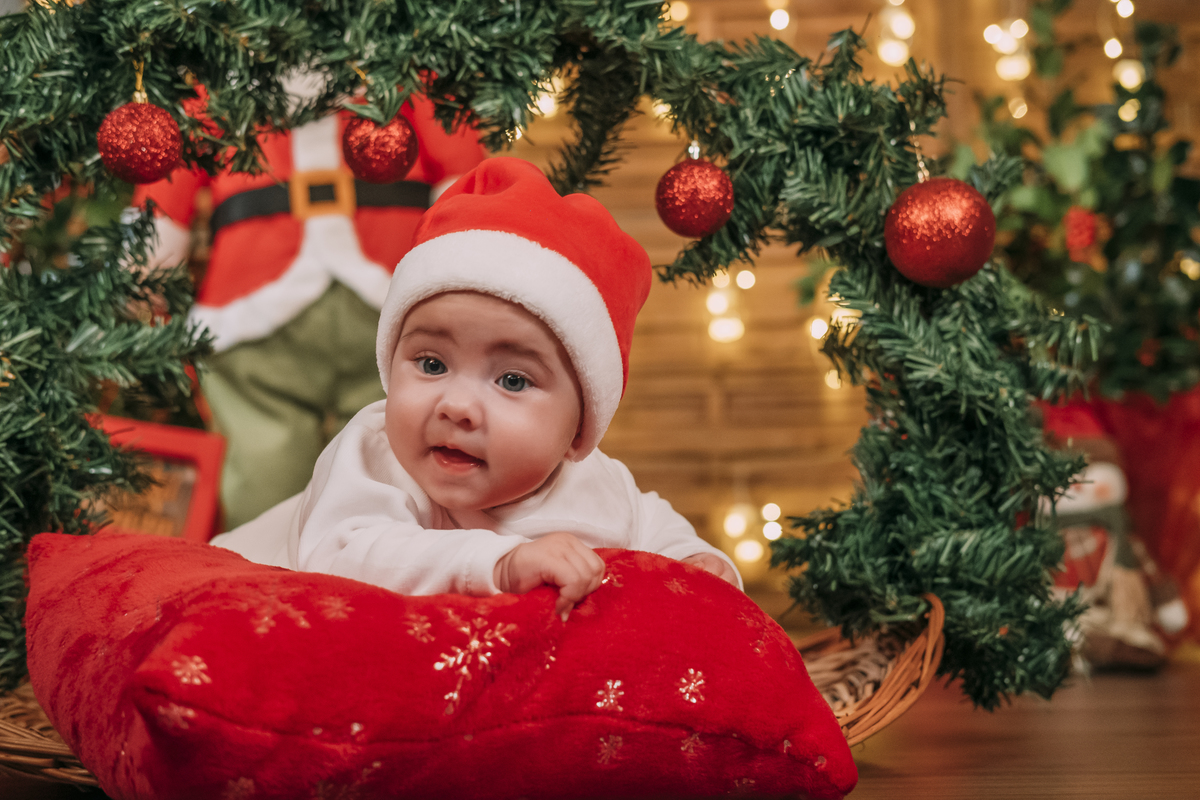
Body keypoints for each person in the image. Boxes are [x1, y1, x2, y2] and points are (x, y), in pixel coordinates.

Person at [211, 157, 740, 615]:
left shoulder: (602, 486)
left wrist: (700, 564)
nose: (457, 406)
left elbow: (659, 536)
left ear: (579, 434)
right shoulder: (374, 458)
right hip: (242, 598)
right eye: (431, 364)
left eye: (512, 380)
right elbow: (344, 555)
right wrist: (498, 564)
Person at [134, 77, 486, 529]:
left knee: (394, 470)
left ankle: (391, 569)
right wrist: (147, 264)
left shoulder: (409, 73)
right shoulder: (220, 83)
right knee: (264, 482)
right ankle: (263, 581)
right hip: (255, 316)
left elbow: (461, 166)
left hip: (395, 314)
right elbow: (169, 170)